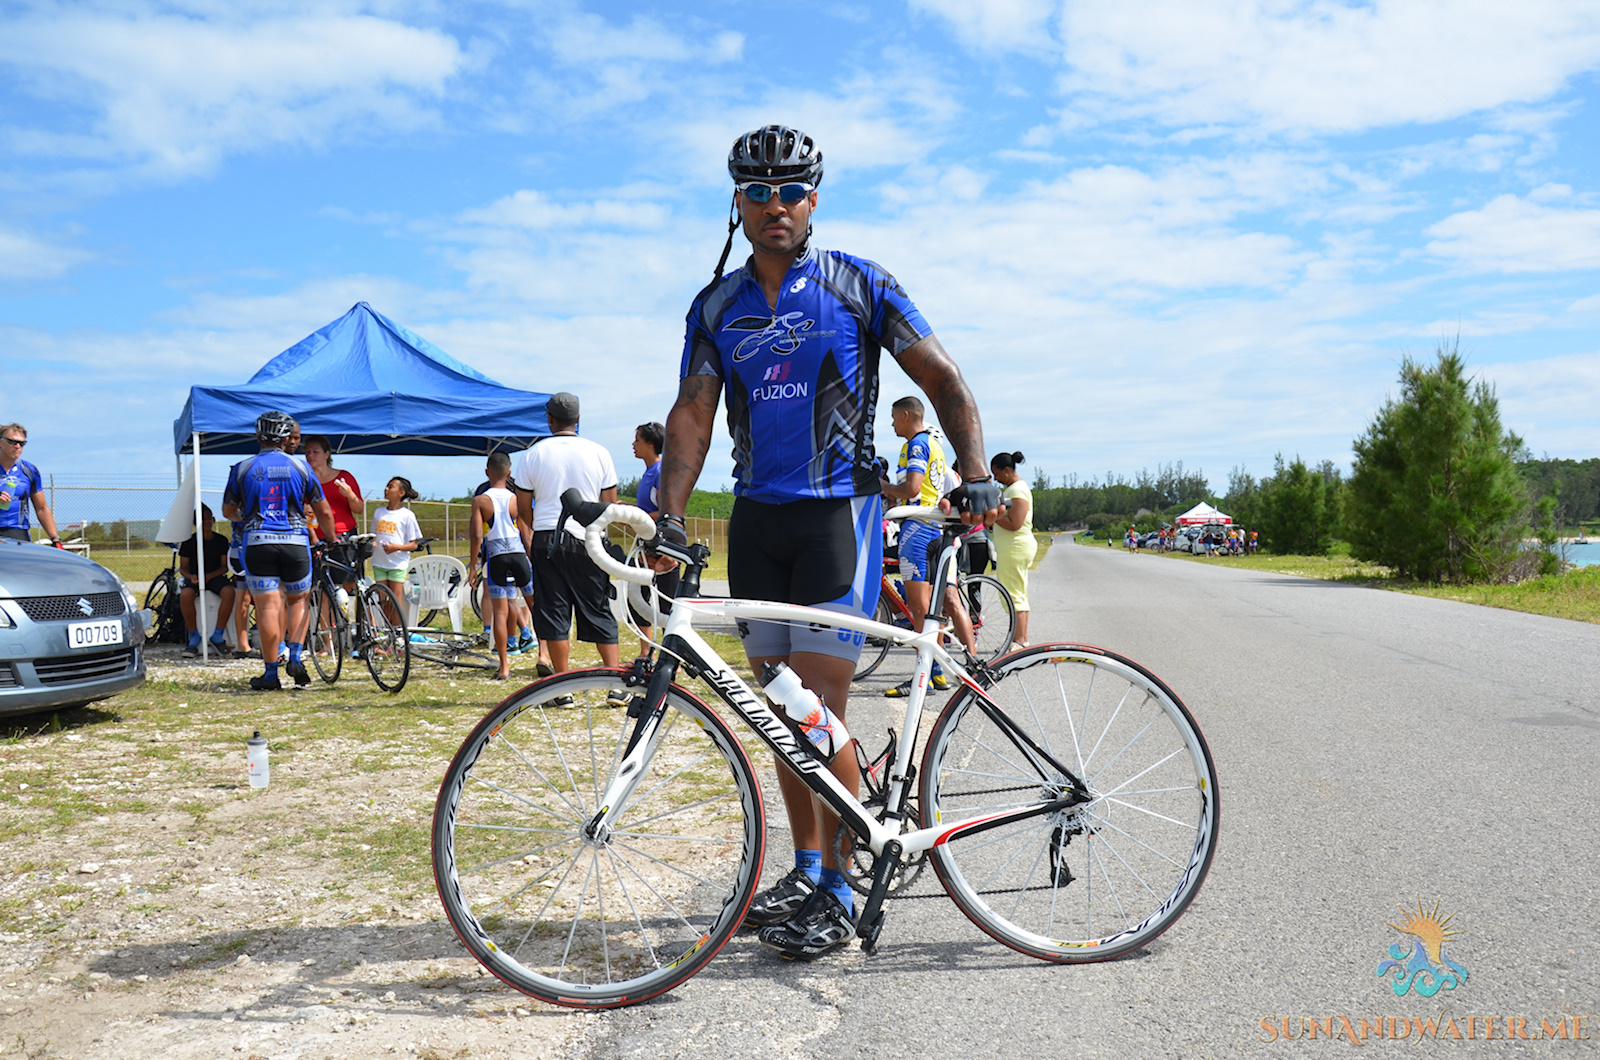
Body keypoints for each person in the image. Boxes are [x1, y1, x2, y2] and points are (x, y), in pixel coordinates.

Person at [654, 124, 999, 960]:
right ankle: (808, 866)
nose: (775, 206)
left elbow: (942, 377)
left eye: (791, 192)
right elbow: (693, 412)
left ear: (813, 199)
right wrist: (668, 516)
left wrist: (976, 472)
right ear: (737, 203)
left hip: (837, 516)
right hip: (756, 520)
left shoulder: (859, 283)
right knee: (779, 712)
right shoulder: (716, 306)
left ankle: (842, 886)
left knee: (817, 707)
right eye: (758, 192)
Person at [510, 391, 625, 680]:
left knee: (554, 612)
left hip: (547, 537)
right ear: (578, 419)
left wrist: (540, 526)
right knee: (597, 608)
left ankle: (562, 686)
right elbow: (609, 503)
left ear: (549, 419)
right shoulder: (599, 452)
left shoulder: (532, 454)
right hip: (588, 537)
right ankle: (614, 682)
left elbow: (523, 507)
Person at [222, 410, 334, 691]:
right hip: (295, 541)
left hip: (258, 540)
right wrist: (331, 539)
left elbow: (228, 511)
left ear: (258, 437)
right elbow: (323, 511)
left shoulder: (242, 468)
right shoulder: (301, 467)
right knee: (299, 601)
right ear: (286, 439)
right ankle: (295, 655)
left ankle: (271, 674)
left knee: (268, 607)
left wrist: (246, 518)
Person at [878, 395, 975, 698]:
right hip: (934, 528)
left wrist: (883, 487)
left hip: (916, 528)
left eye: (894, 417)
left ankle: (924, 677)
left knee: (919, 609)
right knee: (933, 608)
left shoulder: (916, 445)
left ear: (907, 416)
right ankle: (937, 672)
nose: (892, 424)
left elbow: (912, 488)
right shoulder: (934, 444)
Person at [469, 454, 531, 681]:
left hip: (496, 555)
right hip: (518, 554)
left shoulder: (480, 501)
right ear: (509, 472)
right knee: (535, 606)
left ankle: (504, 666)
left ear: (487, 473)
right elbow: (526, 533)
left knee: (500, 612)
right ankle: (544, 655)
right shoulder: (517, 499)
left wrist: (473, 566)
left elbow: (477, 535)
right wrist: (532, 558)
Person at [629, 421, 677, 661]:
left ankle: (670, 658)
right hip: (645, 544)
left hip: (664, 546)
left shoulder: (660, 472)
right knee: (639, 598)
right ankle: (645, 653)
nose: (633, 444)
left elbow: (665, 511)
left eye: (637, 440)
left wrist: (633, 516)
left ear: (650, 444)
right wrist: (627, 509)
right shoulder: (649, 472)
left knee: (668, 602)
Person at [990, 451, 1036, 650]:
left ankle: (1020, 640)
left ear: (1008, 470)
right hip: (1013, 547)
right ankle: (1019, 639)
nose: (996, 479)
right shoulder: (1013, 489)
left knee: (1014, 594)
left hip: (1015, 546)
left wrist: (993, 514)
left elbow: (1015, 523)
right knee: (1017, 592)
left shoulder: (1017, 490)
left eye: (997, 474)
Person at [177, 505, 236, 656]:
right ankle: (194, 636)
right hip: (195, 578)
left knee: (229, 592)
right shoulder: (188, 542)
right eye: (202, 520)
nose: (207, 522)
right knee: (185, 595)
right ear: (195, 523)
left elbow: (224, 567)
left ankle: (217, 634)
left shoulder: (221, 540)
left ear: (214, 520)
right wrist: (191, 577)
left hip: (214, 577)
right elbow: (183, 567)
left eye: (209, 518)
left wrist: (209, 576)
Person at [0, 423, 64, 547]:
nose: (17, 446)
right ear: (0, 442)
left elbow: (42, 508)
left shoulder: (29, 470)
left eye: (21, 443)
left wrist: (55, 539)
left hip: (18, 532)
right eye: (12, 442)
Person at [371, 477, 423, 627]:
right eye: (386, 486)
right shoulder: (378, 512)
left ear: (401, 493)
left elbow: (413, 544)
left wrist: (396, 547)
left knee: (395, 600)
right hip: (379, 562)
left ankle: (398, 632)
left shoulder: (407, 515)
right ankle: (388, 630)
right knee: (382, 600)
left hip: (397, 564)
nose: (386, 489)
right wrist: (373, 543)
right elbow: (373, 535)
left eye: (391, 486)